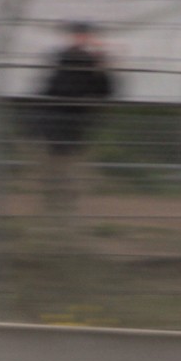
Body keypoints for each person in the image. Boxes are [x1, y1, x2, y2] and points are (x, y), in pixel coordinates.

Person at [34, 20, 114, 218]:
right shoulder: (61, 58)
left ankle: (67, 206)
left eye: (84, 35)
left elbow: (104, 91)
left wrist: (102, 65)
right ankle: (54, 204)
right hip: (57, 118)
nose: (81, 38)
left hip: (77, 120)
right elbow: (50, 89)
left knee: (71, 165)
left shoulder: (91, 61)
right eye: (78, 34)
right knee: (55, 164)